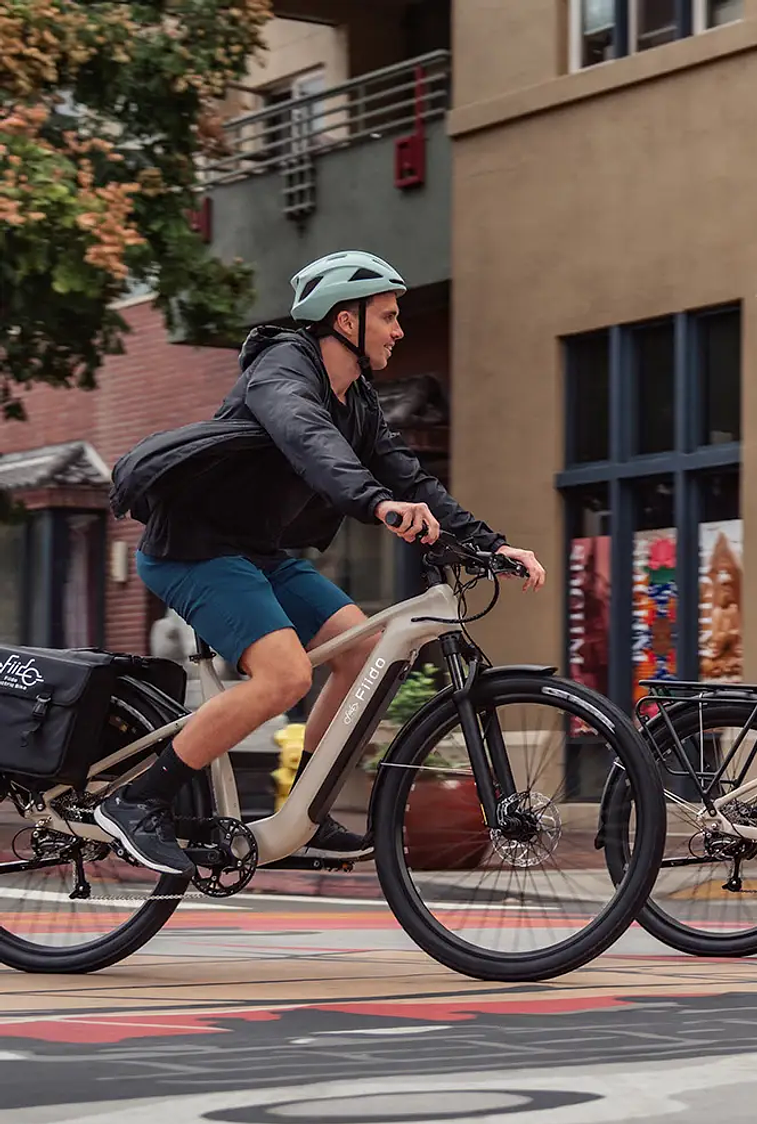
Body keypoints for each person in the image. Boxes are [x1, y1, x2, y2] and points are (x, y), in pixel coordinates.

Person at [99, 250, 546, 877]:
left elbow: (408, 474)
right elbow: (309, 439)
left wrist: (489, 544)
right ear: (345, 321)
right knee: (283, 679)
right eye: (387, 317)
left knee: (359, 651)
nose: (398, 330)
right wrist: (375, 503)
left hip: (259, 553)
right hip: (194, 550)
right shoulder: (281, 370)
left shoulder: (356, 398)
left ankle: (300, 818)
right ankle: (137, 800)